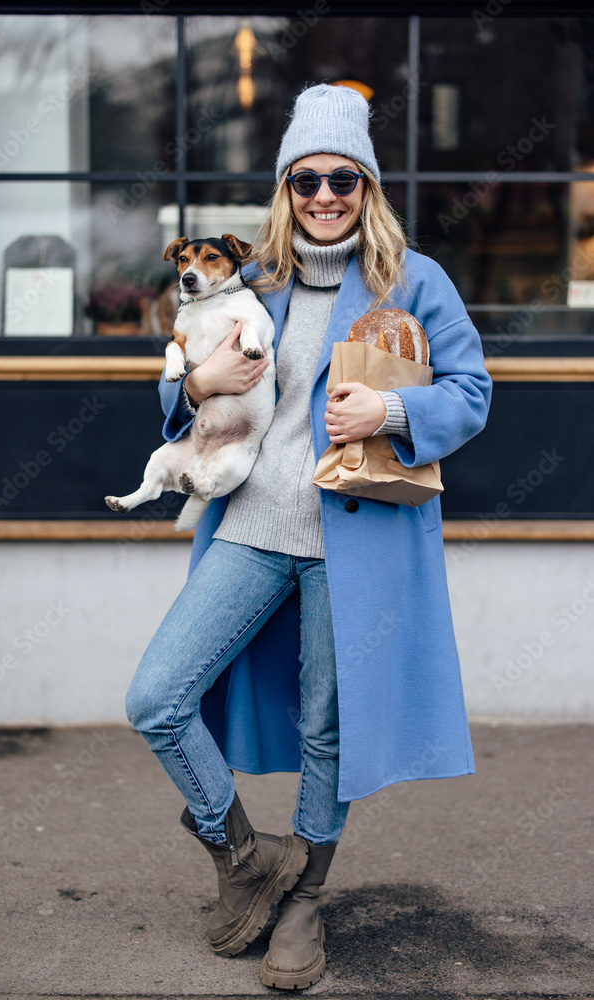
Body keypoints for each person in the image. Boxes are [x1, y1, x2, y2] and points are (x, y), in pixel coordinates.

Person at [126, 83, 492, 990]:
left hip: (354, 545)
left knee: (328, 729)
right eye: (305, 180)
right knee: (157, 697)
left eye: (343, 179)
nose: (324, 196)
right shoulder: (259, 280)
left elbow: (472, 392)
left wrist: (393, 406)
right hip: (250, 529)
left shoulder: (414, 280)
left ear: (367, 188)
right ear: (285, 191)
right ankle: (246, 857)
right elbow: (188, 384)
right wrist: (196, 384)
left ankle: (305, 903)